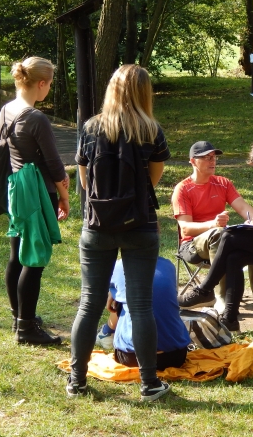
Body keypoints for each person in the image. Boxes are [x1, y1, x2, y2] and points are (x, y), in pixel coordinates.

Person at [68, 65, 171, 401]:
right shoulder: (151, 131)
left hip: (97, 225)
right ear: (145, 92)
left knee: (89, 304)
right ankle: (150, 384)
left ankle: (77, 382)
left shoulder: (90, 128)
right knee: (140, 306)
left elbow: (85, 181)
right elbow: (152, 181)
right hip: (139, 225)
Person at [176, 137, 253, 332]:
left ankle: (209, 292)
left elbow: (248, 210)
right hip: (194, 243)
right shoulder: (183, 189)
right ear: (192, 162)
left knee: (232, 237)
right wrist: (213, 224)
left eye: (213, 157)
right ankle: (227, 313)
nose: (212, 161)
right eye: (206, 158)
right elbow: (185, 229)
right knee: (225, 238)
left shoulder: (223, 183)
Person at [0, 56, 69, 345]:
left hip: (16, 188)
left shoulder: (6, 110)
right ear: (41, 83)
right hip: (38, 192)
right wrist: (64, 196)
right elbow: (54, 165)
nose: (49, 89)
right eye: (49, 84)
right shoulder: (36, 117)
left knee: (18, 256)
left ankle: (20, 318)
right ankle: (26, 330)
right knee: (35, 260)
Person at [96, 257, 191, 371]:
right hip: (176, 357)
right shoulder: (169, 265)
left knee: (123, 297)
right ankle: (107, 333)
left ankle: (106, 333)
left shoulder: (118, 266)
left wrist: (113, 292)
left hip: (132, 358)